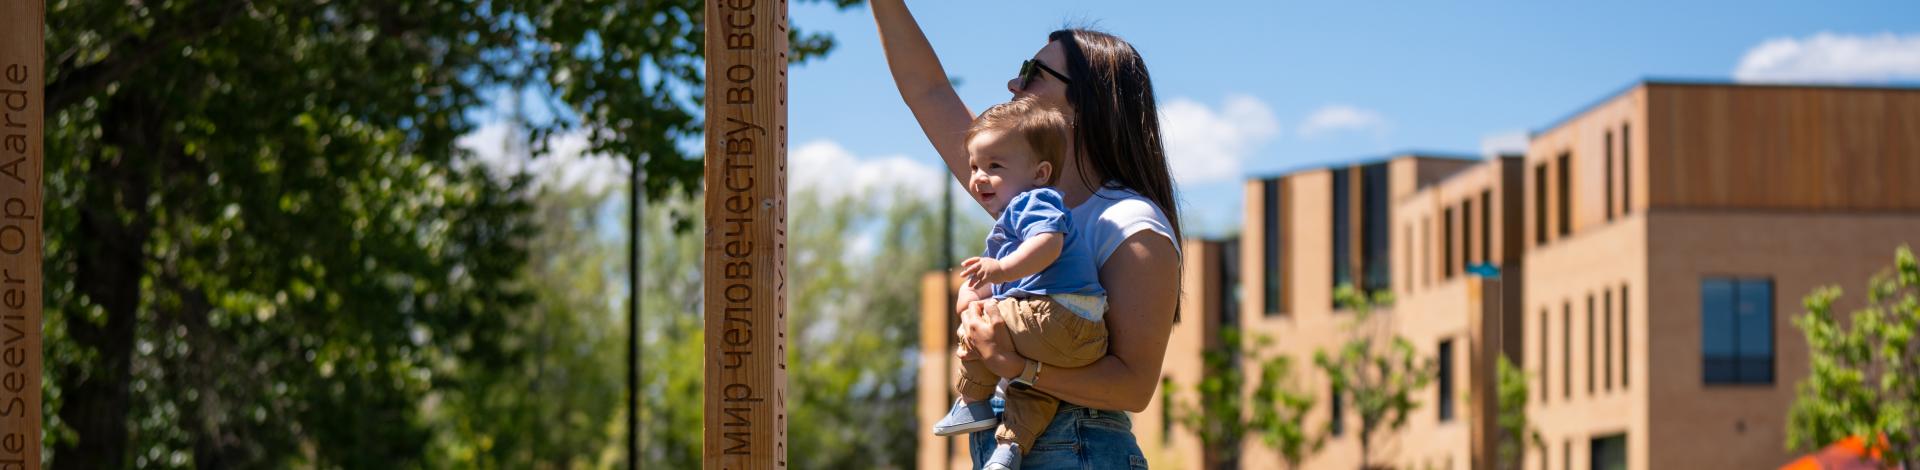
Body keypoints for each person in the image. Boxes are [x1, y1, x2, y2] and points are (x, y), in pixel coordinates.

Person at [872, 2, 1184, 468]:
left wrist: (1016, 367)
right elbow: (928, 90)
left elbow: (1134, 386)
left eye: (1032, 72)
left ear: (1085, 101)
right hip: (1016, 443)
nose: (1013, 84)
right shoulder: (1017, 189)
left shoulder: (1132, 225)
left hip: (1081, 447)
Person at [932, 98, 1111, 470]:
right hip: (1078, 337)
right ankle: (1010, 449)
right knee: (1034, 392)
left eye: (994, 166)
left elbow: (1046, 245)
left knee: (981, 324)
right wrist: (973, 289)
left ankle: (973, 401)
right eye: (974, 166)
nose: (979, 177)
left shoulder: (1036, 201)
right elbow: (1011, 273)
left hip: (1058, 314)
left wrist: (997, 272)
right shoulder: (1014, 222)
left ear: (1040, 173)